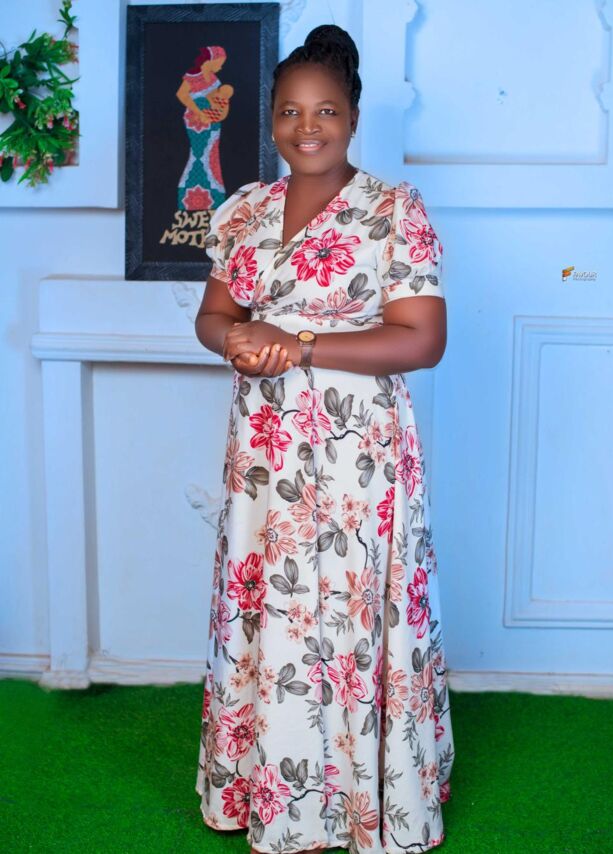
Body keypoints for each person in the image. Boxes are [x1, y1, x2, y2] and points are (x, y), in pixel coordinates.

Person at [194, 24, 455, 854]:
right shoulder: (243, 210)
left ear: (353, 117)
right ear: (271, 119)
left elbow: (422, 340)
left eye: (327, 111)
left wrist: (299, 344)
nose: (308, 127)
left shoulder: (393, 210)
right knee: (271, 599)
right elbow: (214, 315)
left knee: (350, 607)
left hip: (357, 451)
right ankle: (272, 791)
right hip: (265, 448)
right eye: (290, 112)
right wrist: (236, 340)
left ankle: (370, 802)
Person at [176, 45, 234, 211]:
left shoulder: (214, 79)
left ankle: (213, 197)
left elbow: (217, 99)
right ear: (210, 60)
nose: (220, 67)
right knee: (198, 154)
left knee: (212, 154)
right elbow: (181, 95)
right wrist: (199, 111)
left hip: (212, 122)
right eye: (219, 63)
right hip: (197, 122)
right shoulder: (193, 77)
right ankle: (189, 196)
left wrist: (220, 108)